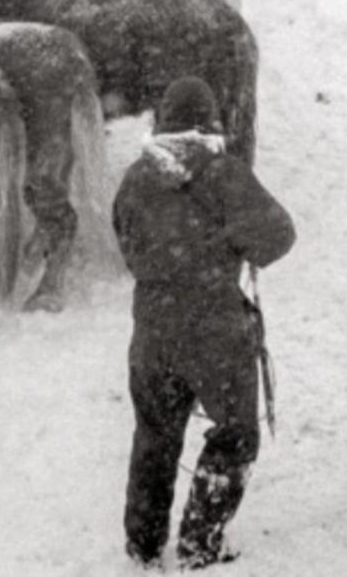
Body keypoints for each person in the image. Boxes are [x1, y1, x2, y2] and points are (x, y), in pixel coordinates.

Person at [114, 77, 296, 569]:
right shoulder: (223, 174)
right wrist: (232, 246)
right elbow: (278, 235)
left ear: (162, 124)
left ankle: (145, 545)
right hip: (215, 332)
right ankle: (199, 542)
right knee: (235, 435)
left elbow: (127, 245)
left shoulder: (134, 179)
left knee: (154, 433)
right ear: (210, 124)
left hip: (152, 333)